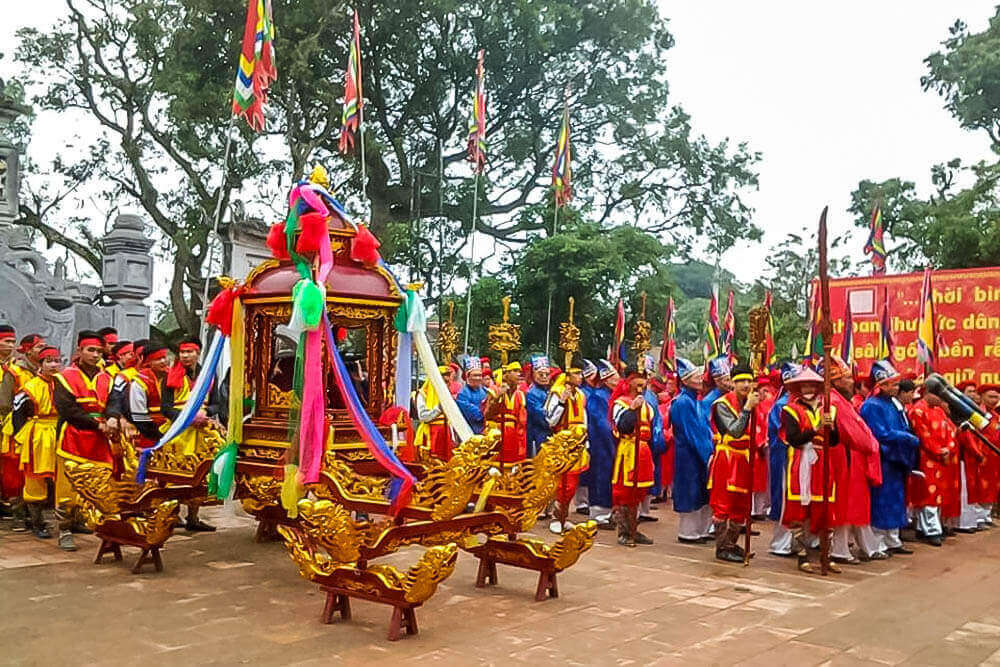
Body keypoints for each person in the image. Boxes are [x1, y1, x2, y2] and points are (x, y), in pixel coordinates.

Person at [779, 366, 847, 574]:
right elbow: (793, 439)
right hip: (801, 461)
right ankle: (802, 555)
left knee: (825, 508)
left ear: (818, 387)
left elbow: (834, 441)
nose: (808, 388)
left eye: (812, 385)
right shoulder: (790, 410)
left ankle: (826, 555)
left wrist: (831, 429)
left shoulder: (830, 410)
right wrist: (815, 430)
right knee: (800, 509)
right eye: (804, 385)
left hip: (824, 462)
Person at [819, 355, 885, 564]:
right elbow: (855, 434)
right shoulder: (834, 401)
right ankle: (840, 549)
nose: (851, 382)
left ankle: (866, 546)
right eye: (847, 378)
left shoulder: (839, 400)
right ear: (836, 381)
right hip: (842, 458)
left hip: (850, 457)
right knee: (845, 505)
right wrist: (872, 445)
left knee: (853, 505)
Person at [54, 331, 115, 552]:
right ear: (79, 351)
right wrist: (98, 424)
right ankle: (64, 530)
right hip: (73, 437)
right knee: (67, 487)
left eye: (99, 351)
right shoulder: (64, 377)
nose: (95, 354)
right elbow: (68, 410)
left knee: (99, 484)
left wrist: (114, 418)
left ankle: (89, 523)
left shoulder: (107, 377)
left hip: (101, 440)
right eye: (91, 350)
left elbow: (115, 402)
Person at [860, 360, 920, 556]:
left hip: (896, 459)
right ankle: (877, 543)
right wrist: (906, 437)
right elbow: (879, 433)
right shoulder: (871, 406)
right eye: (892, 384)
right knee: (882, 500)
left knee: (896, 499)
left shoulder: (893, 403)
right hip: (883, 458)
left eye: (896, 384)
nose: (896, 387)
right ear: (881, 385)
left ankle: (893, 539)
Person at [160, 336, 219, 532]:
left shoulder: (209, 374)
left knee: (201, 474)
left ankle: (193, 516)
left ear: (198, 353)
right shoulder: (170, 376)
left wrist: (207, 413)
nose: (185, 356)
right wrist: (188, 417)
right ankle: (172, 515)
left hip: (201, 429)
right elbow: (166, 408)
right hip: (177, 430)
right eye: (182, 352)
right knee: (174, 475)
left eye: (189, 352)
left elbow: (217, 403)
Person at [707, 363, 760, 563]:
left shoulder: (752, 402)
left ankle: (732, 542)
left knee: (741, 505)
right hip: (727, 459)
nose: (746, 385)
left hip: (744, 458)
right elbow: (735, 430)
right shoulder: (721, 404)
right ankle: (722, 547)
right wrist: (747, 409)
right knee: (724, 503)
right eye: (741, 381)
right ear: (733, 383)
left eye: (749, 380)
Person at [10, 346, 62, 541]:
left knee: (63, 476)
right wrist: (21, 438)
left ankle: (70, 521)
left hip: (60, 432)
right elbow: (18, 414)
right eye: (48, 361)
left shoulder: (63, 385)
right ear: (40, 364)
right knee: (35, 477)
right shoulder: (30, 387)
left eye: (56, 360)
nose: (53, 365)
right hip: (38, 434)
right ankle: (37, 522)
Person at [670, 357, 714, 544]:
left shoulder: (696, 400)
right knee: (690, 490)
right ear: (685, 380)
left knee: (702, 491)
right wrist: (707, 453)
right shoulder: (682, 403)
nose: (699, 380)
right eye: (695, 377)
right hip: (689, 454)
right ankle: (688, 532)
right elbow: (692, 432)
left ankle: (701, 530)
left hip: (699, 452)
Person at [907, 390, 958, 547]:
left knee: (938, 495)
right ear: (928, 393)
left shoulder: (939, 410)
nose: (941, 400)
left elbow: (952, 431)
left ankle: (926, 528)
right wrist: (937, 451)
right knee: (928, 495)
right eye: (939, 395)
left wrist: (948, 448)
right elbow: (923, 435)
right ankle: (932, 530)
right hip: (926, 458)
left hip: (942, 458)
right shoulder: (917, 410)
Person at [610, 368, 655, 546]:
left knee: (639, 492)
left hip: (643, 450)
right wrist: (632, 409)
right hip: (628, 450)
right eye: (637, 379)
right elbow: (622, 427)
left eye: (644, 379)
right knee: (625, 492)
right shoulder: (620, 403)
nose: (641, 384)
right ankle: (624, 531)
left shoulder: (648, 404)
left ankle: (634, 528)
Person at [544, 364, 589, 534]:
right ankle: (556, 517)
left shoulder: (581, 395)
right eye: (577, 373)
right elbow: (550, 420)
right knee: (562, 483)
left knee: (572, 483)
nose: (581, 377)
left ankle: (564, 515)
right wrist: (562, 402)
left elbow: (584, 418)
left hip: (577, 442)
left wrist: (586, 441)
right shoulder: (556, 393)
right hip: (562, 442)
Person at [585, 360, 619, 528]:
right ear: (606, 379)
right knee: (600, 476)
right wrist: (613, 434)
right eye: (615, 377)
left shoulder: (610, 395)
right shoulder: (598, 397)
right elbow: (601, 423)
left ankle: (606, 512)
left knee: (608, 475)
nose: (618, 380)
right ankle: (598, 515)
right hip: (599, 443)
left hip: (608, 441)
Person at [484, 361, 527, 464]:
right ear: (506, 373)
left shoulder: (520, 395)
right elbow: (487, 414)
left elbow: (522, 422)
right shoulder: (494, 390)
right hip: (498, 432)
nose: (519, 374)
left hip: (513, 435)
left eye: (520, 371)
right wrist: (498, 397)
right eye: (515, 371)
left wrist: (521, 442)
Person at [414, 364, 454, 461]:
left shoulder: (448, 395)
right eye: (444, 382)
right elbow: (423, 417)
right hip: (431, 434)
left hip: (445, 433)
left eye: (448, 382)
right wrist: (438, 409)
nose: (447, 385)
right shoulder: (423, 394)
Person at [525, 355, 552, 458]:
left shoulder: (549, 390)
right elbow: (542, 417)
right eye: (541, 374)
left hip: (548, 434)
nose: (544, 377)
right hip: (537, 435)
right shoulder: (532, 393)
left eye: (547, 374)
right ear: (533, 375)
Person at [455, 357, 489, 435]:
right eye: (475, 375)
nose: (478, 378)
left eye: (480, 375)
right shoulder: (463, 394)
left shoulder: (485, 391)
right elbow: (477, 415)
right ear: (468, 376)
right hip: (470, 433)